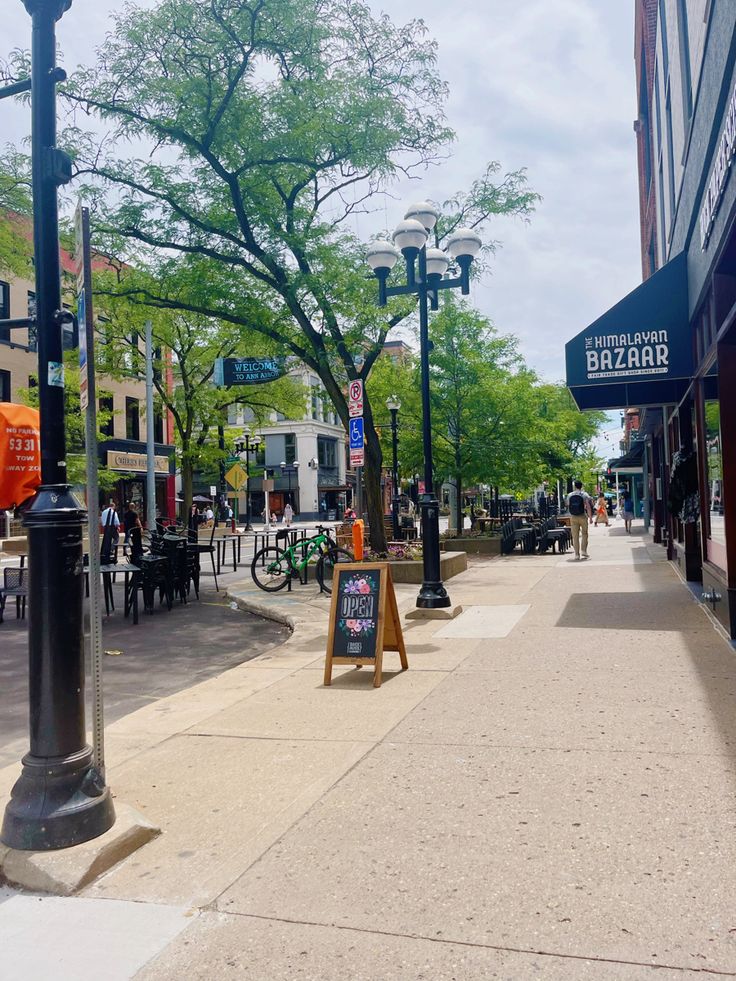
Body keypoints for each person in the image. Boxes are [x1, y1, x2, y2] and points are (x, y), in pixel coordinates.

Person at [567, 480, 592, 560]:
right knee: (585, 534)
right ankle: (584, 550)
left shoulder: (570, 495)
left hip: (573, 516)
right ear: (581, 486)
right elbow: (588, 506)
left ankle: (577, 554)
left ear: (575, 486)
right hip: (582, 516)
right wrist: (590, 517)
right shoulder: (584, 494)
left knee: (575, 536)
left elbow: (568, 505)